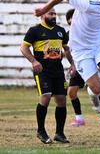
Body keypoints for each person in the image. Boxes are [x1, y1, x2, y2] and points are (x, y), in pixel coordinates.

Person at [33, 0, 100, 127]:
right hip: (80, 51)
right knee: (97, 89)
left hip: (98, 45)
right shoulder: (88, 4)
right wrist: (44, 9)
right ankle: (93, 93)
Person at [20, 8, 75, 144]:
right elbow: (24, 48)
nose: (54, 16)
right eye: (51, 14)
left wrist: (72, 64)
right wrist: (34, 61)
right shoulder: (34, 31)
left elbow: (66, 49)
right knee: (45, 97)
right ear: (43, 15)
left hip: (58, 71)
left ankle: (59, 133)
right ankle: (41, 131)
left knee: (61, 100)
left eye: (55, 13)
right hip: (42, 71)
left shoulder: (60, 31)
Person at [65, 9, 100, 127]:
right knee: (71, 92)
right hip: (77, 66)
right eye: (72, 17)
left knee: (95, 88)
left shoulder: (86, 32)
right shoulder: (68, 35)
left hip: (87, 64)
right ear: (69, 20)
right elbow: (68, 51)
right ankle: (79, 118)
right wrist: (72, 64)